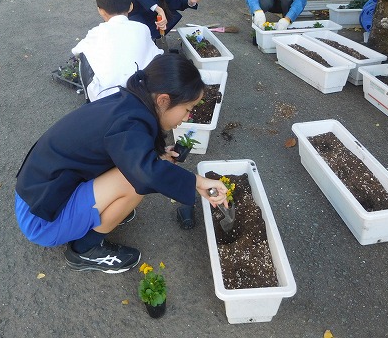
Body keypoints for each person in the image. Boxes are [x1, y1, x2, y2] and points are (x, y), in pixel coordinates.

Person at [15, 53, 229, 273]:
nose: (187, 117)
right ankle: (85, 250)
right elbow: (146, 174)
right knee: (135, 181)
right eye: (187, 109)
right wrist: (197, 181)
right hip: (41, 221)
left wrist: (155, 155)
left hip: (39, 195)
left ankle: (100, 211)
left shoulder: (128, 103)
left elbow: (126, 151)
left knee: (141, 170)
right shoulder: (130, 123)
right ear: (163, 100)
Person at [71, 0, 163, 102]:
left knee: (84, 56)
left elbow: (76, 51)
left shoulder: (96, 32)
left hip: (106, 99)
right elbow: (157, 54)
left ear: (100, 10)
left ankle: (89, 101)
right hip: (141, 95)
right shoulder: (142, 28)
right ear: (131, 6)